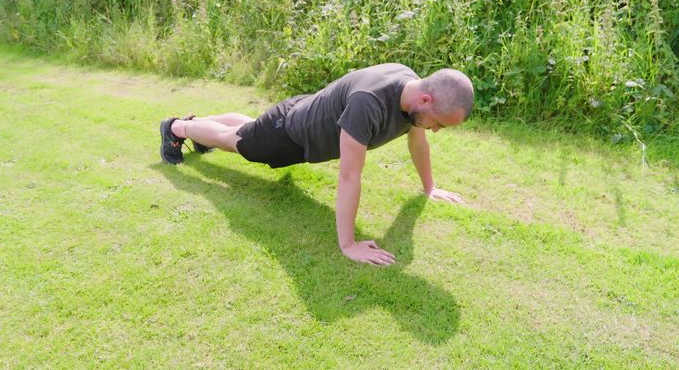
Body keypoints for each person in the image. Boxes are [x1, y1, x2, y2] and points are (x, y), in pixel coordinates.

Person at [159, 63, 474, 266]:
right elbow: (349, 176)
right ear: (426, 101)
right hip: (289, 134)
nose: (434, 129)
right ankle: (177, 128)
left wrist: (429, 187)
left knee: (245, 130)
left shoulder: (412, 91)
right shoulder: (370, 103)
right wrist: (348, 245)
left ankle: (199, 127)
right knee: (236, 141)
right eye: (439, 124)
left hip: (298, 112)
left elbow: (417, 140)